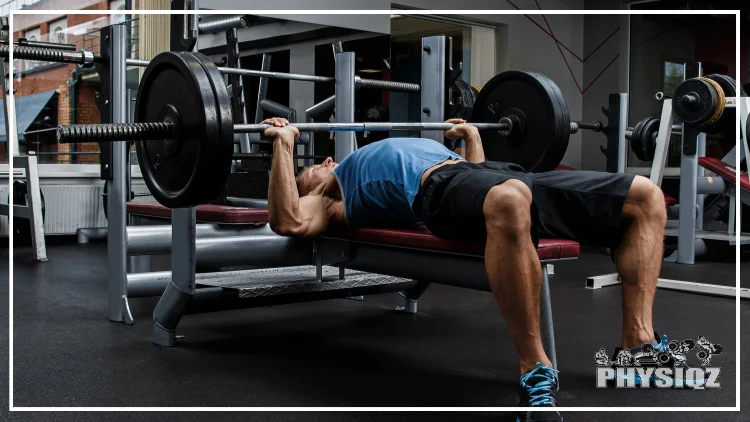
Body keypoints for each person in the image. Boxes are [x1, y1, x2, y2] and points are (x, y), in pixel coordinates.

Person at [262, 117, 669, 421]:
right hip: (433, 189)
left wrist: (473, 139)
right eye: (304, 173)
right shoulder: (329, 196)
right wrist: (284, 144)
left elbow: (477, 190)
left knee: (645, 196)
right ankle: (536, 371)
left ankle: (637, 345)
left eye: (311, 167)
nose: (314, 169)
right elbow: (289, 221)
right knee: (509, 200)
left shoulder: (342, 164)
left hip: (489, 174)